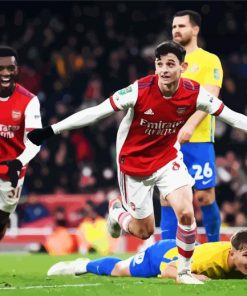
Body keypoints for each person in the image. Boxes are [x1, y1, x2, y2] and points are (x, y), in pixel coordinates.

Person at [28, 40, 247, 284]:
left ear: (182, 67)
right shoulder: (139, 90)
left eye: (170, 64)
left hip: (167, 158)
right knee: (144, 232)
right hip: (134, 164)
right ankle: (116, 213)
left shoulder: (194, 93)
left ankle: (183, 273)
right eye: (159, 64)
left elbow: (233, 118)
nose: (164, 69)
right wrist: (52, 130)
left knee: (186, 212)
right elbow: (97, 112)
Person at [160, 10, 223, 242]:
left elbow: (211, 99)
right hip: (169, 141)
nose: (176, 30)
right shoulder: (167, 60)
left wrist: (188, 126)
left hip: (198, 140)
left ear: (195, 29)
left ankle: (214, 248)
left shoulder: (209, 60)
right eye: (174, 26)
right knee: (167, 197)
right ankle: (166, 253)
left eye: (182, 26)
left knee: (204, 197)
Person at [47, 229, 247, 281]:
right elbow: (170, 270)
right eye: (246, 255)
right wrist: (194, 277)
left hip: (188, 248)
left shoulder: (237, 259)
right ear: (232, 253)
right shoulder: (208, 258)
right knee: (120, 270)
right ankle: (83, 265)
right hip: (164, 255)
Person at [0, 46, 42, 240]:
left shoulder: (29, 100)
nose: (6, 73)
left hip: (11, 172)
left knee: (1, 220)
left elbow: (35, 140)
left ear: (17, 69)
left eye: (11, 68)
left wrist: (19, 161)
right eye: (1, 68)